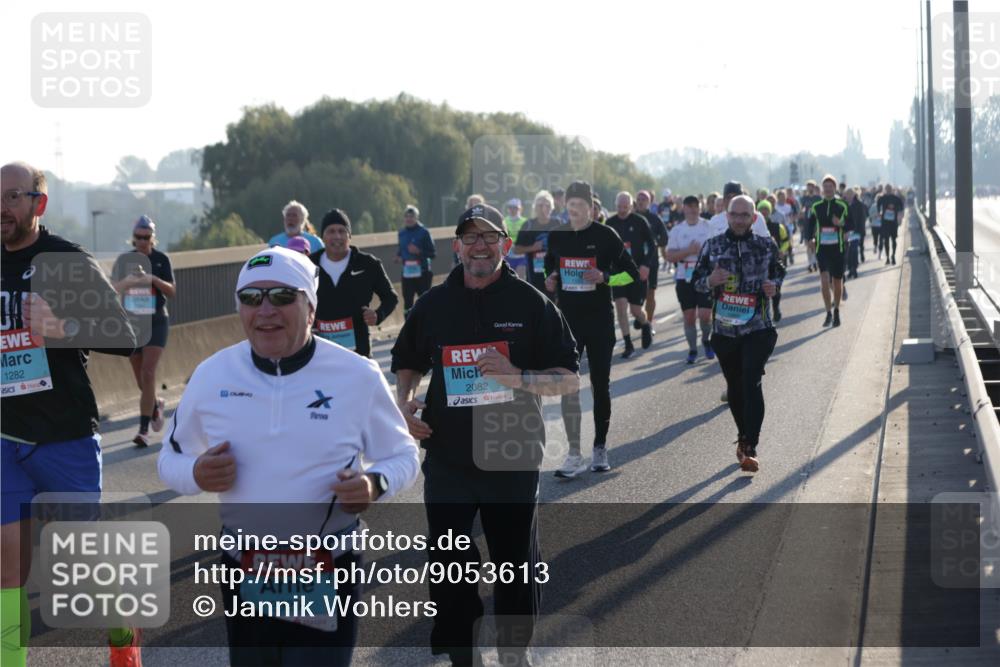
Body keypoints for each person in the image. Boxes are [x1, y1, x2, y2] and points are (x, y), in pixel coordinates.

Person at [159, 246, 419, 667]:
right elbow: (169, 460)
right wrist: (197, 473)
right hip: (245, 565)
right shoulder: (212, 374)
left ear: (311, 308)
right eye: (251, 298)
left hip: (329, 563)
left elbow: (403, 454)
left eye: (282, 296)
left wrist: (375, 484)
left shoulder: (357, 375)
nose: (265, 310)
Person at [391, 204, 579, 667]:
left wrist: (519, 377)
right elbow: (407, 359)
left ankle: (516, 653)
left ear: (506, 245)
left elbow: (568, 377)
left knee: (515, 565)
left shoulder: (532, 304)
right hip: (449, 457)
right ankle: (462, 654)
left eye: (489, 237)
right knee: (451, 566)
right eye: (470, 237)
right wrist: (405, 400)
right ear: (456, 247)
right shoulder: (433, 304)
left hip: (511, 455)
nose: (479, 245)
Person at [1, 161, 139, 667]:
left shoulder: (65, 261)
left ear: (39, 204)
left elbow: (125, 337)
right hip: (4, 436)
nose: (1, 208)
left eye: (12, 197)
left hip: (64, 433)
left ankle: (123, 637)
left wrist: (63, 328)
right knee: (7, 562)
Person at [545, 181, 640, 477]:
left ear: (590, 207)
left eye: (580, 206)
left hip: (599, 320)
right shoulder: (558, 237)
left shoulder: (606, 235)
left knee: (600, 384)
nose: (575, 210)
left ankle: (600, 447)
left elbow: (632, 276)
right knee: (568, 386)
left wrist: (605, 277)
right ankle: (574, 453)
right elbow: (550, 270)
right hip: (569, 322)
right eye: (570, 205)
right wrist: (550, 280)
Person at [691, 194, 784, 473]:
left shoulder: (766, 245)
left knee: (752, 379)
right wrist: (710, 281)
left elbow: (779, 272)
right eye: (735, 215)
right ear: (727, 216)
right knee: (735, 385)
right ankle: (743, 435)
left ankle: (750, 445)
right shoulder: (713, 246)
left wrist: (773, 285)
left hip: (758, 327)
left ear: (754, 218)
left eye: (746, 215)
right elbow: (695, 282)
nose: (740, 220)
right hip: (725, 331)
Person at [111, 215, 176, 448]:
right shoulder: (124, 260)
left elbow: (171, 291)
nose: (142, 242)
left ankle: (143, 431)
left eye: (146, 238)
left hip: (156, 321)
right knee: (142, 381)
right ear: (133, 238)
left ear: (152, 238)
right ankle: (156, 403)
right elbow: (111, 289)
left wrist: (153, 279)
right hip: (133, 324)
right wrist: (128, 282)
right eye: (138, 237)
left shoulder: (161, 259)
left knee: (149, 373)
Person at [310, 208, 398, 358]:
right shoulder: (309, 264)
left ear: (349, 236)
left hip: (358, 350)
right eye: (331, 231)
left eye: (341, 231)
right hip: (320, 349)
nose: (336, 236)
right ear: (322, 237)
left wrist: (378, 314)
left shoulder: (368, 264)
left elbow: (391, 297)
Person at [665, 195, 715, 363]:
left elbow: (717, 250)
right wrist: (688, 250)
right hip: (684, 275)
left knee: (705, 314)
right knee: (689, 316)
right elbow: (669, 256)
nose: (693, 210)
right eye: (689, 207)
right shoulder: (677, 230)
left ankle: (706, 341)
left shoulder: (708, 226)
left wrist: (703, 253)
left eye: (696, 207)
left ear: (700, 208)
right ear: (684, 209)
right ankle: (693, 349)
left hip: (704, 274)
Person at [606, 192, 656, 358]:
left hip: (636, 272)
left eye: (625, 207)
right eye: (619, 207)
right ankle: (628, 344)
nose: (622, 210)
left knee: (636, 311)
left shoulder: (640, 222)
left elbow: (652, 245)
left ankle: (646, 324)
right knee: (620, 306)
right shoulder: (609, 223)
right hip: (618, 273)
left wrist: (646, 265)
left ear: (631, 206)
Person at [806, 175, 850, 327]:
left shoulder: (842, 205)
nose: (828, 189)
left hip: (838, 249)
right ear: (822, 189)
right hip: (822, 248)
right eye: (825, 187)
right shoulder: (816, 206)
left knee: (837, 281)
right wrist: (808, 239)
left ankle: (837, 309)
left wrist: (841, 223)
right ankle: (828, 313)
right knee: (824, 280)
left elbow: (852, 224)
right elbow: (809, 224)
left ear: (835, 188)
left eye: (830, 186)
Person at [514, 191, 562, 293]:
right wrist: (533, 247)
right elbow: (516, 250)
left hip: (554, 273)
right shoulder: (528, 225)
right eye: (540, 205)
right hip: (534, 274)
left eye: (547, 205)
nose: (544, 208)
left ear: (552, 207)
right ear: (535, 207)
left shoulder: (558, 223)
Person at [635, 190, 669, 323]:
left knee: (650, 293)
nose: (641, 201)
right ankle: (639, 315)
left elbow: (665, 238)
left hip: (651, 262)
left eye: (644, 199)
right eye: (639, 199)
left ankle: (648, 323)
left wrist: (653, 244)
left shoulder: (655, 219)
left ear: (649, 202)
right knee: (636, 294)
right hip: (634, 262)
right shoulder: (631, 218)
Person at [395, 205, 436, 317]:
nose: (409, 219)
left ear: (417, 218)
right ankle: (408, 329)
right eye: (406, 216)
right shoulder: (401, 233)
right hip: (407, 273)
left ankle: (427, 326)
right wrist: (398, 256)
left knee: (424, 301)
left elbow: (432, 253)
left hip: (422, 273)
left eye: (411, 216)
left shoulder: (424, 232)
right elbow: (401, 249)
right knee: (407, 302)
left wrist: (419, 252)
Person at [758, 200, 788, 322]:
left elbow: (786, 240)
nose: (764, 212)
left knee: (775, 289)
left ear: (770, 211)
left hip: (775, 262)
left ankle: (776, 309)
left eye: (766, 209)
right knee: (762, 291)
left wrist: (782, 250)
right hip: (760, 264)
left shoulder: (777, 226)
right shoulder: (753, 227)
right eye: (761, 209)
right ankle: (765, 316)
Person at [844, 187, 868, 279]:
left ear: (854, 195)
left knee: (854, 250)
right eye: (847, 195)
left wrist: (857, 231)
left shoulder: (859, 205)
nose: (848, 196)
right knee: (847, 252)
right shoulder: (844, 204)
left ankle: (854, 268)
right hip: (846, 232)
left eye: (850, 194)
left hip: (856, 231)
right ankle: (850, 268)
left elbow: (862, 219)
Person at [877, 184, 904, 265]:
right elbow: (878, 204)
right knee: (886, 241)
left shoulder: (896, 198)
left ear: (892, 189)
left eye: (889, 189)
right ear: (885, 189)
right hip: (885, 223)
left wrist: (899, 215)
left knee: (894, 240)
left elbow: (901, 207)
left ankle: (893, 256)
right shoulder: (883, 198)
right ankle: (888, 257)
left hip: (893, 223)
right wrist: (879, 212)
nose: (888, 190)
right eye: (887, 189)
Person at [799, 180, 822, 272]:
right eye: (808, 186)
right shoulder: (804, 198)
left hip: (816, 223)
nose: (810, 188)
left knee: (815, 244)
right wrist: (800, 222)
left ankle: (815, 261)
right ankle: (810, 263)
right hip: (807, 223)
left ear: (814, 187)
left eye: (811, 186)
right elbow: (801, 210)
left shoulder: (818, 198)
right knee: (808, 244)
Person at [503, 198, 528, 279]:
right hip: (508, 255)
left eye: (515, 208)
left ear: (520, 209)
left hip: (521, 256)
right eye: (510, 207)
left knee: (520, 279)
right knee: (508, 279)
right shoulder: (504, 221)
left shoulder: (525, 221)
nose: (513, 210)